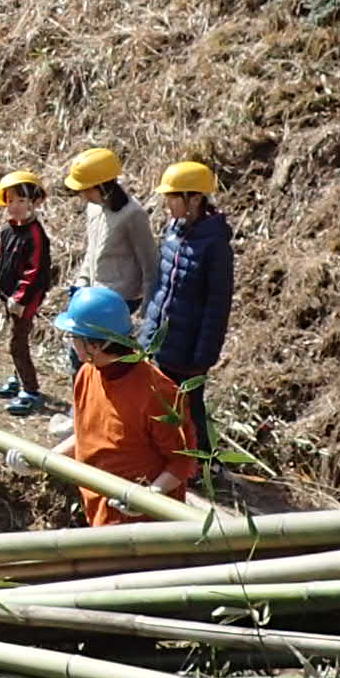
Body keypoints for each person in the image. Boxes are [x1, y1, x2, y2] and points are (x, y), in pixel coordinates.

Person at [47, 286, 196, 525]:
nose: (71, 344)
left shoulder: (158, 393)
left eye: (74, 337)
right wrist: (42, 459)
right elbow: (87, 435)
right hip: (98, 511)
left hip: (144, 529)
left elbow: (183, 460)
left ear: (96, 346)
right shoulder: (88, 374)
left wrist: (150, 496)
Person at [141, 160, 235, 460]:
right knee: (158, 401)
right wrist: (148, 330)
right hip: (162, 339)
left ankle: (204, 462)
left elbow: (217, 305)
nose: (167, 203)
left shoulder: (216, 245)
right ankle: (168, 456)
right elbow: (162, 288)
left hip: (190, 344)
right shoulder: (174, 230)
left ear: (194, 198)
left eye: (173, 197)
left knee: (190, 404)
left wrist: (204, 354)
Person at [0, 172, 56, 417]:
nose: (15, 207)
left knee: (16, 344)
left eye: (22, 202)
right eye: (11, 201)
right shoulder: (8, 229)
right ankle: (17, 377)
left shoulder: (36, 234)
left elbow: (35, 271)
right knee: (16, 338)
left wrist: (20, 298)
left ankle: (31, 390)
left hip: (26, 299)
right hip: (8, 294)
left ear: (35, 203)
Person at [64, 146, 159, 315]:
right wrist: (81, 283)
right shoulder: (93, 208)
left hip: (120, 301)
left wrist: (148, 308)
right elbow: (91, 251)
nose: (83, 195)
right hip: (94, 295)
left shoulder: (133, 214)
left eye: (87, 190)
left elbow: (150, 264)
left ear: (102, 186)